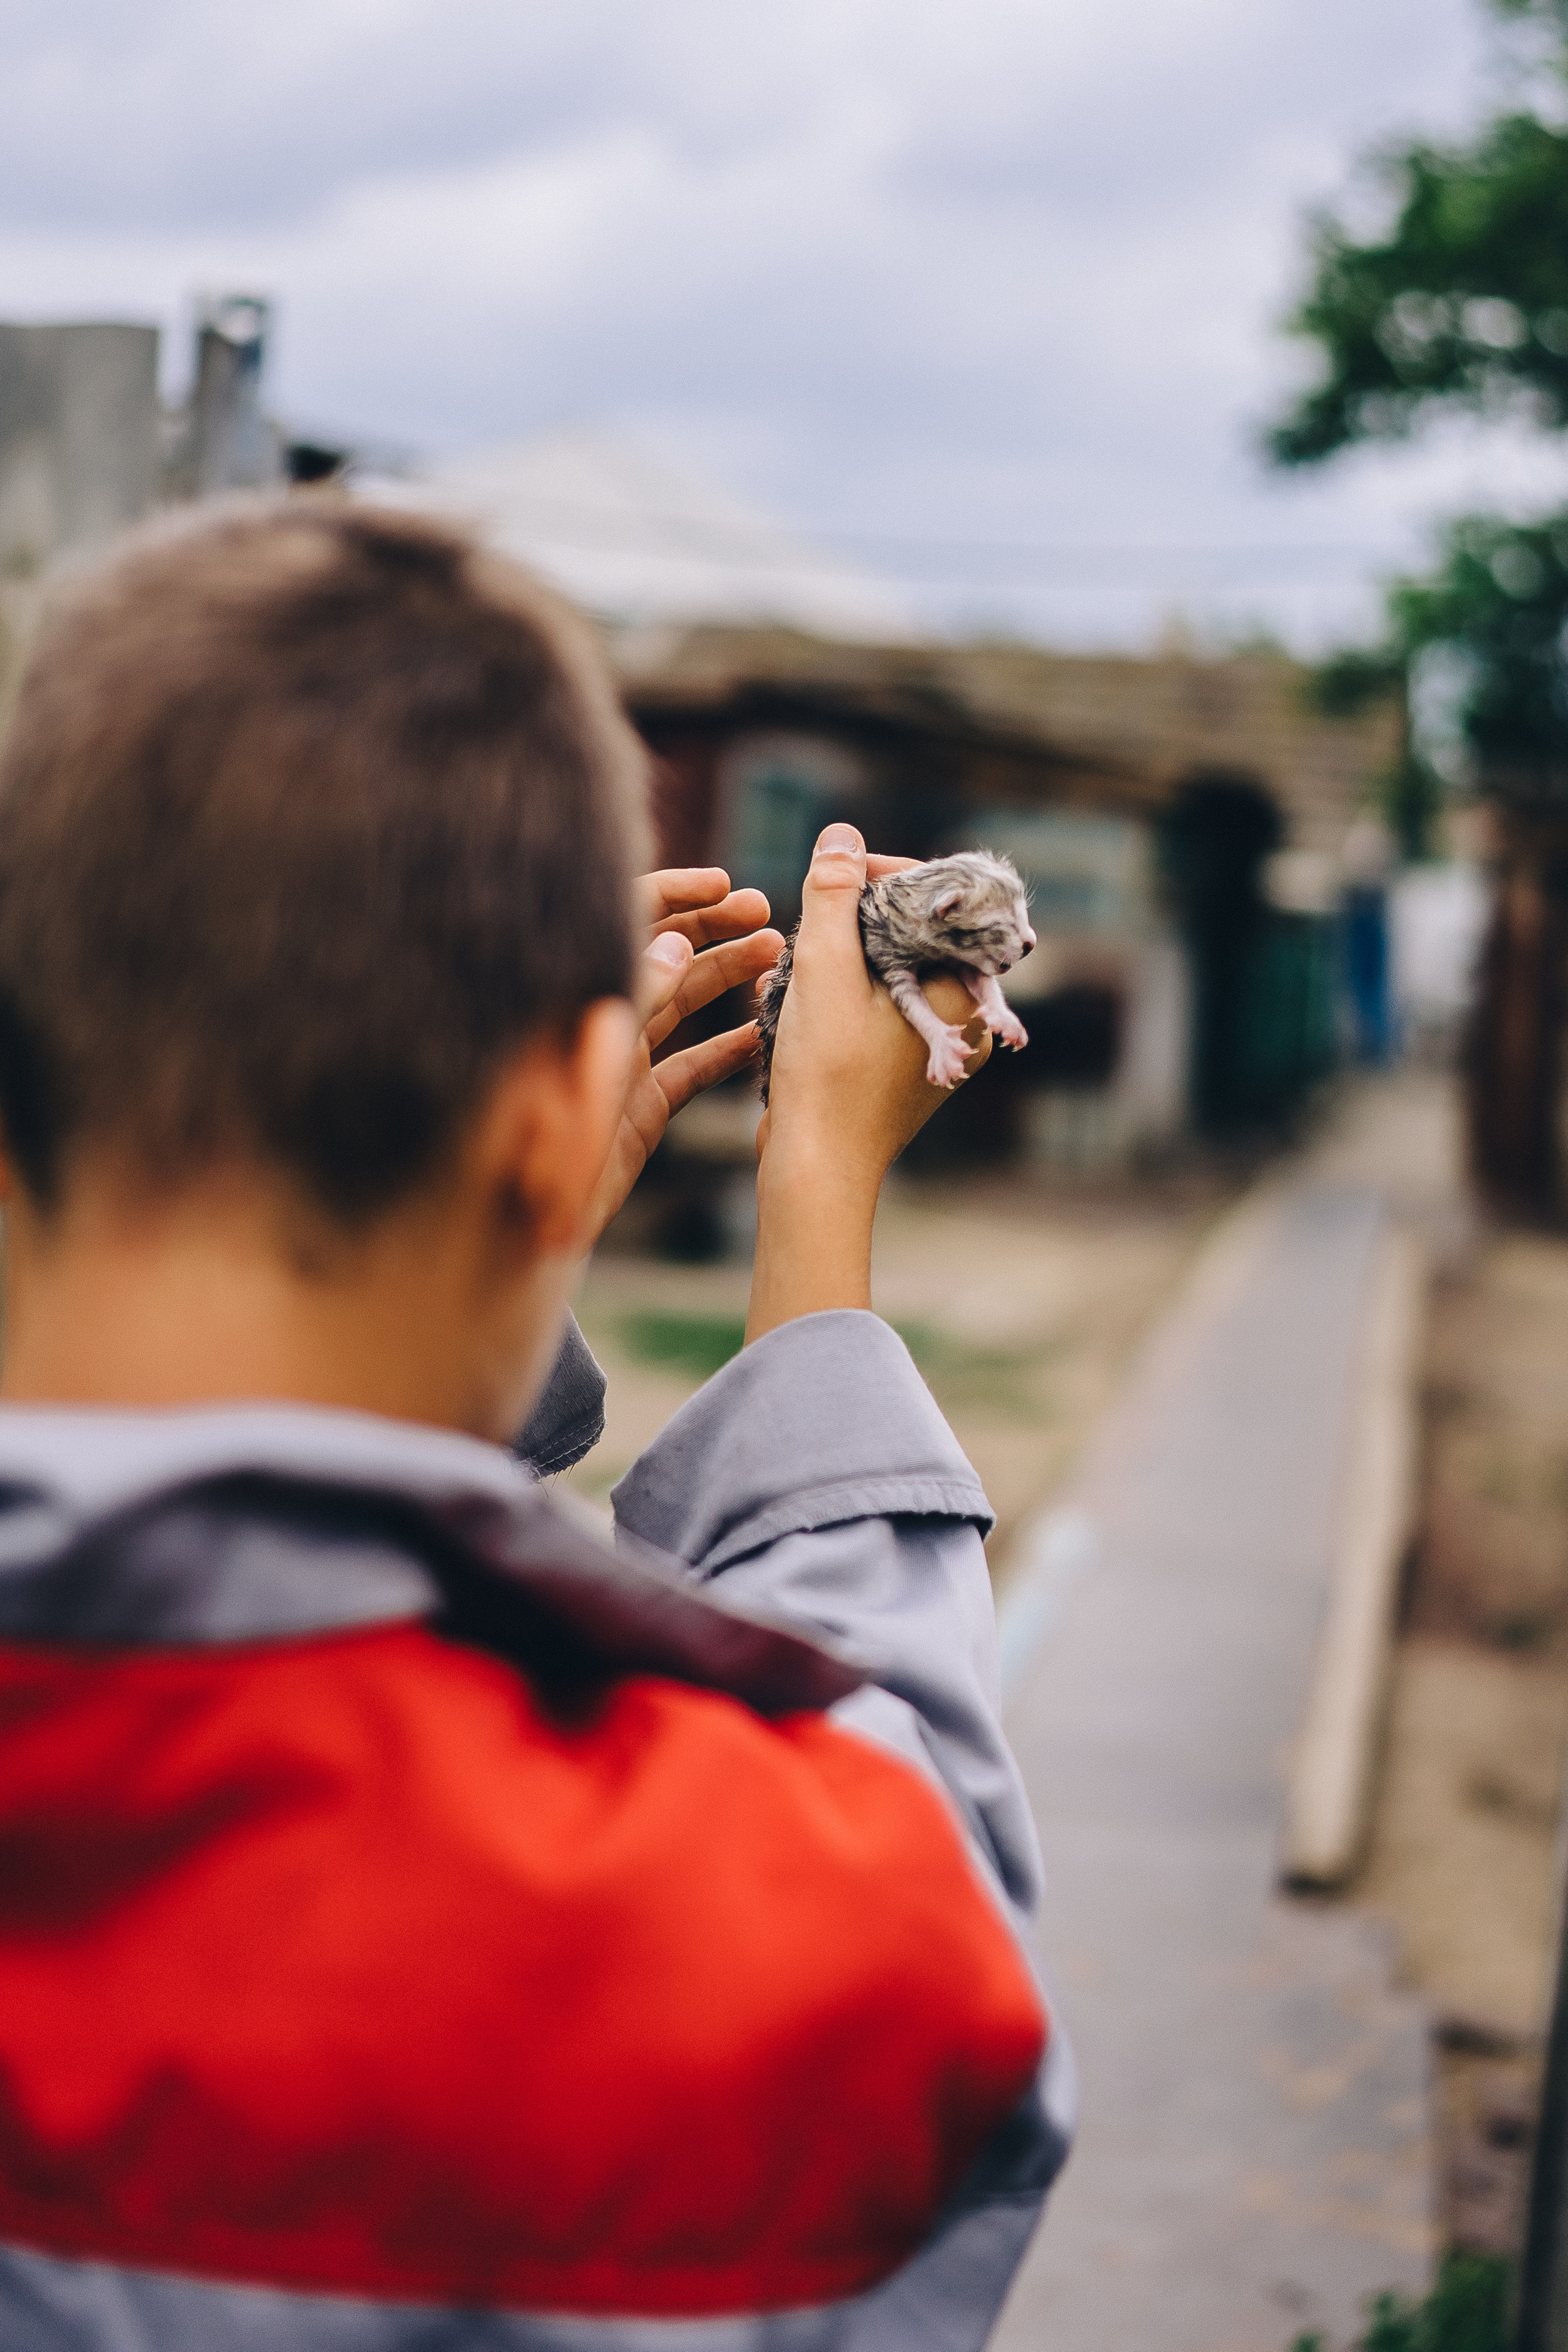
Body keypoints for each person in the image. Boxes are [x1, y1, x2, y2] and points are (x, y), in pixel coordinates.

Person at [0, 500, 1073, 2351]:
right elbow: (945, 1934)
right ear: (553, 1118)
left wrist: (496, 1233)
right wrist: (816, 1200)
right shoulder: (745, 1924)